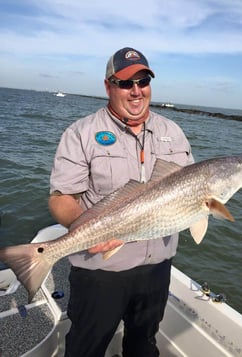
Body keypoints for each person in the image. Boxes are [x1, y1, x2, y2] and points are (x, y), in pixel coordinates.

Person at [49, 47, 194, 357]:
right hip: (100, 272)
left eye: (143, 81)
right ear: (108, 86)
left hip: (156, 270)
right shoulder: (81, 133)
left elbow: (192, 190)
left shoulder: (174, 132)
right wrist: (87, 231)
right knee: (86, 349)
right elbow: (62, 198)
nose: (136, 91)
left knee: (144, 346)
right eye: (126, 83)